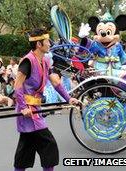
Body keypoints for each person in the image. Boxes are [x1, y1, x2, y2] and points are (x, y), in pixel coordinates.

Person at [13, 28, 79, 171]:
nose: (50, 43)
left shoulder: (44, 61)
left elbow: (55, 82)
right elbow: (17, 85)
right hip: (28, 111)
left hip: (35, 109)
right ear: (39, 44)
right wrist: (23, 107)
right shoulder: (27, 61)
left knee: (26, 149)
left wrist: (69, 98)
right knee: (48, 146)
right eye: (47, 41)